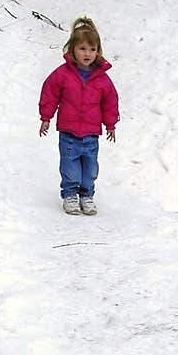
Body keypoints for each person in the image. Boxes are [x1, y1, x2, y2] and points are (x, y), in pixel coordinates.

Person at [38, 16, 119, 216]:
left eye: (92, 49)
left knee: (91, 168)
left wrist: (110, 124)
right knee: (70, 166)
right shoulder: (62, 74)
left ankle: (87, 194)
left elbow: (110, 102)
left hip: (91, 134)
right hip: (69, 133)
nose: (87, 53)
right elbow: (50, 93)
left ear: (98, 51)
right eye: (82, 48)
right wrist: (46, 117)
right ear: (72, 49)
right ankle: (70, 194)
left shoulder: (102, 79)